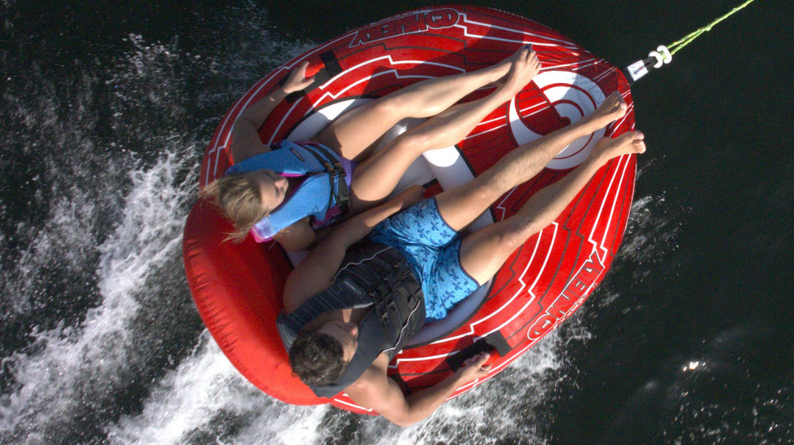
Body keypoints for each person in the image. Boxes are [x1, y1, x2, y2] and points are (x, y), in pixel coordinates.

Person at [278, 90, 646, 425]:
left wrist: (395, 206)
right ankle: (600, 156)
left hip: (397, 241)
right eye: (351, 342)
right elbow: (405, 415)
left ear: (311, 329)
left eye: (340, 328)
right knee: (511, 235)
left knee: (486, 188)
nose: (353, 329)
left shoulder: (302, 296)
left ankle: (587, 123)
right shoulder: (363, 382)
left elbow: (343, 235)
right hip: (431, 293)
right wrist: (456, 380)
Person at [201, 46, 541, 251]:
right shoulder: (287, 230)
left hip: (322, 151)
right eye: (276, 192)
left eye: (268, 174)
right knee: (411, 142)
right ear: (267, 214)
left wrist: (284, 90)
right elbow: (329, 240)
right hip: (350, 195)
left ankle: (495, 72)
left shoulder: (248, 158)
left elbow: (243, 123)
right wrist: (387, 209)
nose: (279, 179)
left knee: (389, 108)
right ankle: (503, 94)